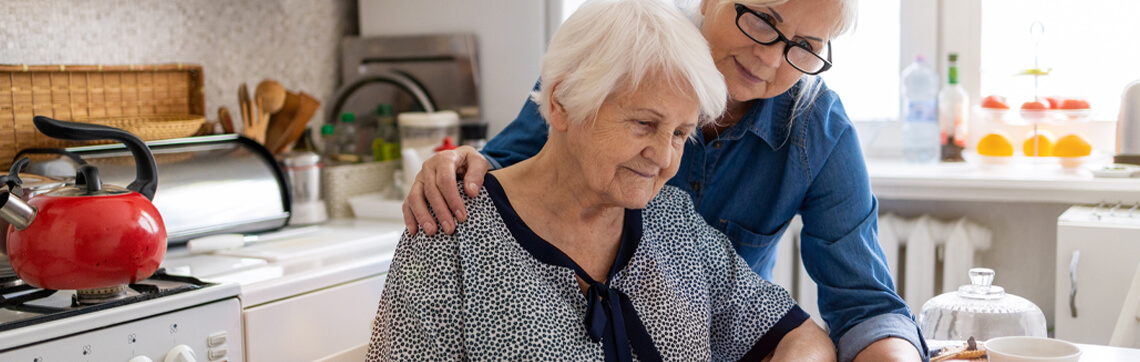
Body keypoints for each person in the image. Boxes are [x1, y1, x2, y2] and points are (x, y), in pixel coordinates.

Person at [402, 0, 929, 361]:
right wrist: (453, 168)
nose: (770, 58)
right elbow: (507, 176)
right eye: (763, 21)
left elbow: (863, 306)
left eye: (805, 45)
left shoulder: (814, 132)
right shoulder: (609, 62)